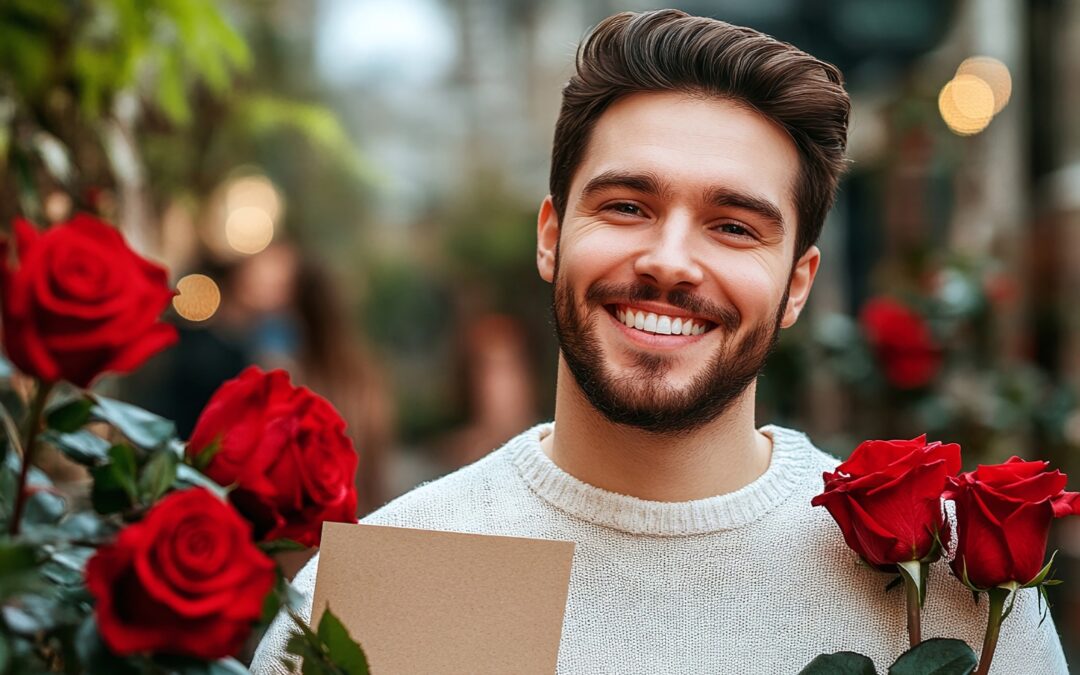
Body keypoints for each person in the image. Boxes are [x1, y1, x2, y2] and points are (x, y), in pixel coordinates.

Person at [251, 10, 1069, 673]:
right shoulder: (395, 580)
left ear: (797, 284)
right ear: (550, 235)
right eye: (627, 206)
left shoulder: (956, 583)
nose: (669, 261)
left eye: (733, 225)